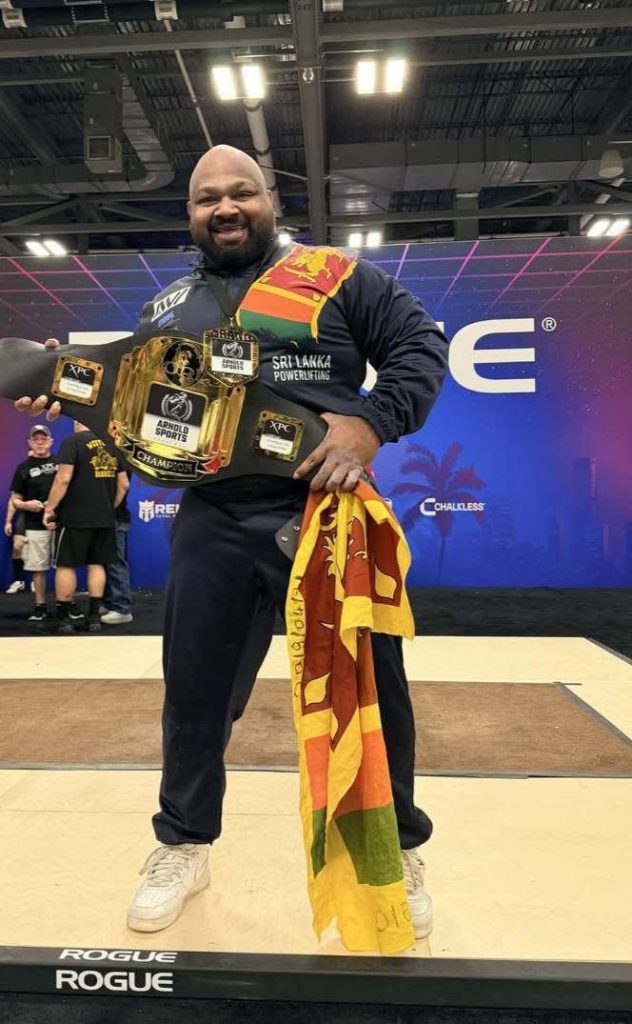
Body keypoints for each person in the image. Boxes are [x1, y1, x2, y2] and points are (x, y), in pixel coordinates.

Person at [16, 145, 449, 942]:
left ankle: (392, 852)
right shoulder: (167, 308)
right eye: (207, 197)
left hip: (325, 511)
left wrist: (370, 423)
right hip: (212, 520)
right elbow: (146, 420)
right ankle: (183, 845)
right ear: (189, 213)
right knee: (194, 693)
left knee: (369, 693)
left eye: (241, 192)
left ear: (269, 198)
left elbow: (420, 347)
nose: (225, 207)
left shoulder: (336, 275)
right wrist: (67, 390)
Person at [42, 421, 129, 634]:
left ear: (76, 421)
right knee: (96, 564)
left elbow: (63, 478)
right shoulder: (113, 443)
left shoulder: (72, 441)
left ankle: (64, 619)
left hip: (74, 517)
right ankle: (94, 618)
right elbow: (124, 484)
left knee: (65, 565)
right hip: (104, 518)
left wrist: (50, 508)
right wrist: (109, 507)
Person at [9, 425, 59, 620]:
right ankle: (40, 606)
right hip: (34, 525)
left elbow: (70, 489)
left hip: (60, 523)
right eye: (36, 439)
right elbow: (15, 499)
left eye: (43, 439)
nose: (40, 442)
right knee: (38, 568)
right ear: (29, 442)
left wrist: (55, 506)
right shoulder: (23, 467)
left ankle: (66, 604)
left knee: (65, 566)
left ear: (51, 441)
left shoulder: (61, 463)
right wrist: (26, 505)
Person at [100, 470, 134, 625]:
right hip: (102, 517)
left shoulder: (120, 458)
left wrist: (109, 509)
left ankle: (122, 608)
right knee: (103, 561)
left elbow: (123, 485)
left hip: (115, 517)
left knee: (115, 562)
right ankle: (109, 602)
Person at [4, 495, 27, 594]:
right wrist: (8, 522)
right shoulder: (21, 484)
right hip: (24, 513)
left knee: (39, 549)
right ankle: (18, 581)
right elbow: (13, 500)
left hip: (42, 513)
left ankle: (37, 582)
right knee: (17, 547)